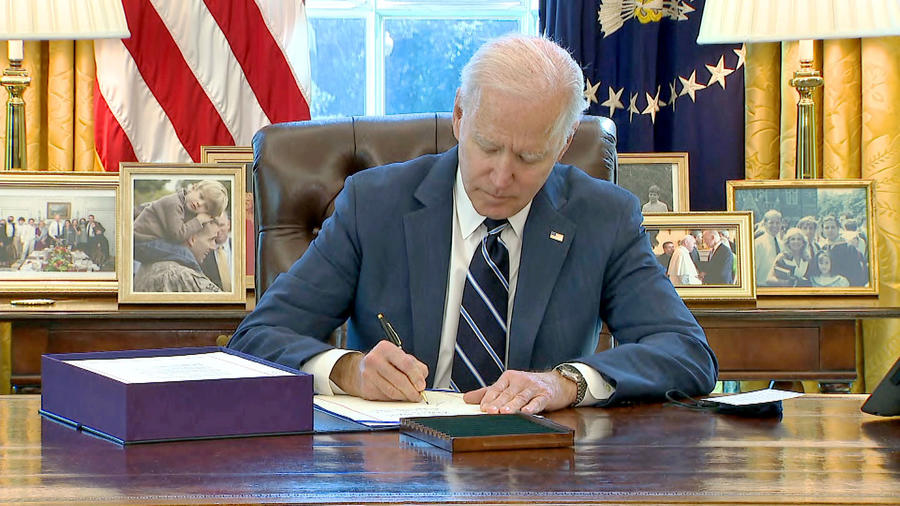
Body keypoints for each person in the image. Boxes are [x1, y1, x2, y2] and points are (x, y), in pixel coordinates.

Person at [228, 34, 717, 414]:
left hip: (537, 470)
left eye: (529, 156)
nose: (502, 177)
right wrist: (346, 370)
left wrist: (565, 381)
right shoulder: (372, 204)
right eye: (487, 146)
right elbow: (257, 338)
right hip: (391, 469)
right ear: (460, 115)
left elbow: (686, 353)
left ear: (565, 142)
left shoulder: (602, 217)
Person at [134, 221, 222, 293]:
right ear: (192, 238)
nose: (214, 246)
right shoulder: (180, 275)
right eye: (211, 239)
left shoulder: (148, 265)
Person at [819, 215, 867, 286]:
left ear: (838, 229)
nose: (830, 230)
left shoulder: (849, 248)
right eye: (827, 228)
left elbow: (857, 274)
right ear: (822, 230)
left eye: (833, 227)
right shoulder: (823, 248)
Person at [754, 209, 784, 286]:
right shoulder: (758, 243)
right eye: (771, 223)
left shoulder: (782, 244)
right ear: (764, 224)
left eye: (778, 223)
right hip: (761, 286)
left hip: (779, 287)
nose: (775, 226)